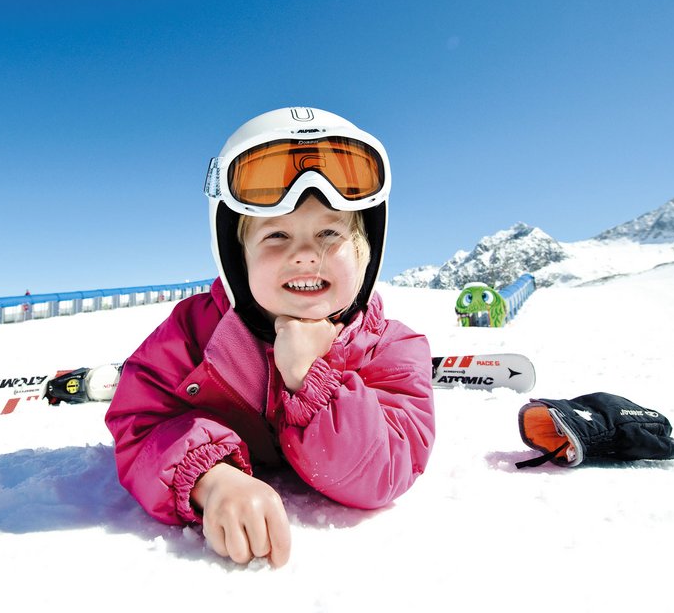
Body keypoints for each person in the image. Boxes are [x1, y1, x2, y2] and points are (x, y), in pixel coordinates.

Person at [105, 107, 435, 568]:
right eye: (276, 234)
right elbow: (140, 426)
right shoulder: (194, 334)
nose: (304, 253)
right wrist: (212, 478)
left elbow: (378, 473)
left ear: (365, 252)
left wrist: (311, 378)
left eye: (328, 233)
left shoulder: (393, 350)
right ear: (237, 257)